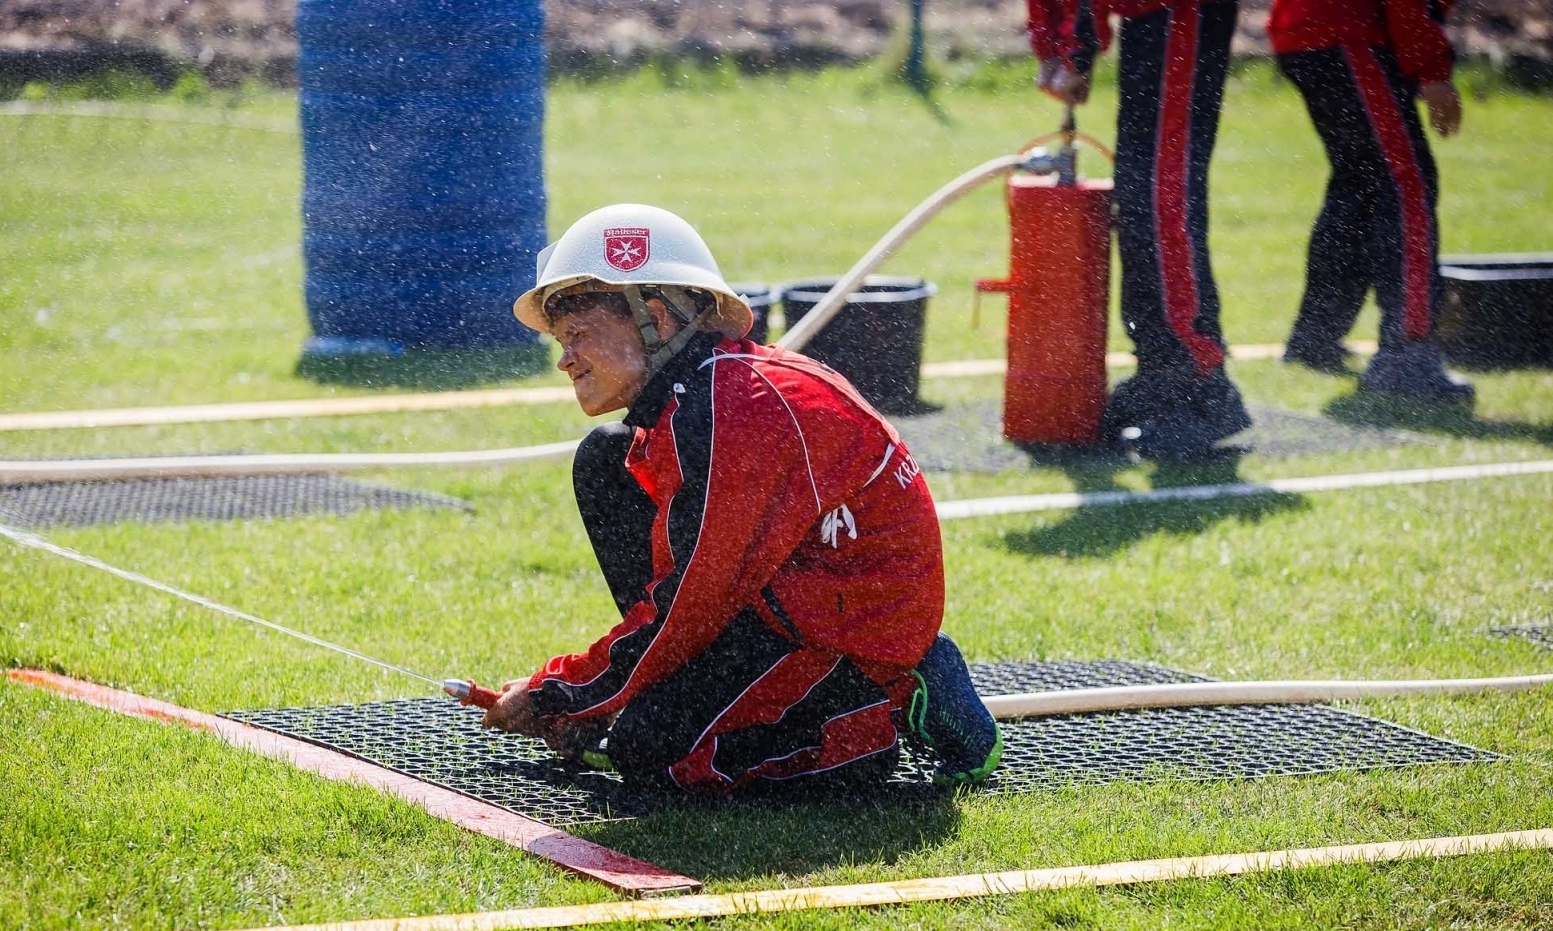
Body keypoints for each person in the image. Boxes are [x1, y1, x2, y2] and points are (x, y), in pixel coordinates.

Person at [461, 204, 1002, 795]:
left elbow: (691, 599)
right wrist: (596, 696)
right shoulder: (701, 397)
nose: (564, 359)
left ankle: (888, 707)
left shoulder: (730, 411)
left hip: (845, 635)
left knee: (652, 754)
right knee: (604, 459)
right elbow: (692, 590)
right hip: (787, 603)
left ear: (659, 320)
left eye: (579, 335)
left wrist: (562, 691)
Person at [1027, 0, 1252, 457]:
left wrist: (1076, 53)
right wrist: (1056, 46)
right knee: (1139, 199)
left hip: (1179, 11)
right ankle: (1160, 372)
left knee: (1163, 199)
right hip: (1147, 15)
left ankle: (1200, 383)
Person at [1270, 0, 1474, 405]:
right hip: (1346, 33)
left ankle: (1316, 335)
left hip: (1310, 32)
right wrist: (1433, 70)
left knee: (1358, 184)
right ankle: (1407, 352)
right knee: (1405, 184)